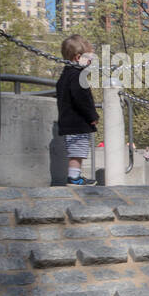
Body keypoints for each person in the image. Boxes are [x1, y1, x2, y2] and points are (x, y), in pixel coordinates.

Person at [55, 35, 98, 186]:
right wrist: (92, 115)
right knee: (77, 151)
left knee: (76, 150)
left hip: (69, 120)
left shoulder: (65, 75)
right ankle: (73, 178)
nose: (92, 61)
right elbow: (83, 99)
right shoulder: (78, 76)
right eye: (90, 58)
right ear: (78, 57)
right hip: (77, 122)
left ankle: (75, 175)